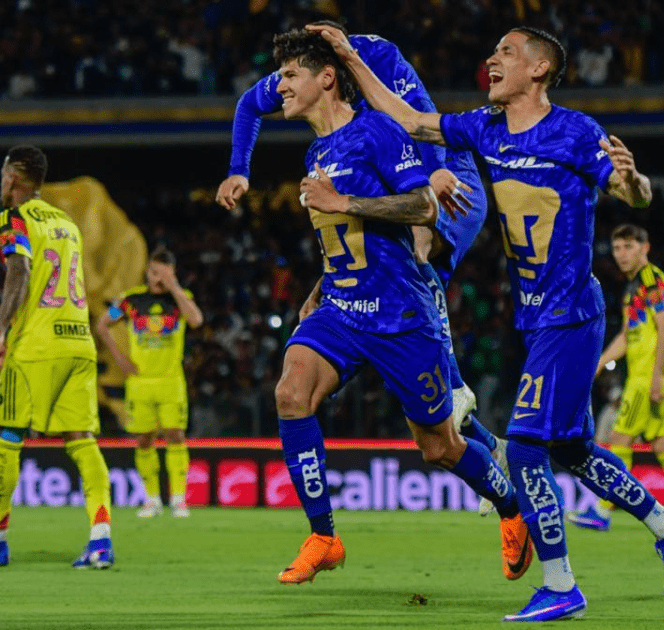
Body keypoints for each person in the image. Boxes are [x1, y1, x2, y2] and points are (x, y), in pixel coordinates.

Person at [311, 23, 664, 621]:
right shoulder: (485, 127)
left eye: (506, 52)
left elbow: (633, 195)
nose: (492, 59)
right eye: (493, 50)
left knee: (523, 450)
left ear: (539, 70)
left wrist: (634, 180)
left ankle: (561, 585)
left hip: (571, 313)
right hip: (536, 318)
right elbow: (407, 119)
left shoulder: (574, 131)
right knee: (574, 449)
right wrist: (348, 56)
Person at [266, 28, 528, 586]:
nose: (279, 86)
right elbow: (347, 237)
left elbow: (425, 206)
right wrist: (319, 289)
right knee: (291, 392)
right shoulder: (317, 151)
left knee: (439, 447)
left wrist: (344, 200)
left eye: (289, 75)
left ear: (326, 78)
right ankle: (324, 536)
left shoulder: (378, 131)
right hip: (341, 309)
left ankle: (512, 510)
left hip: (398, 316)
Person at [214, 22, 508, 515]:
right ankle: (482, 443)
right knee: (379, 256)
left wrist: (433, 169)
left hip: (444, 173)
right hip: (381, 178)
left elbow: (416, 119)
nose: (282, 84)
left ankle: (454, 385)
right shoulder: (302, 72)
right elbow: (248, 104)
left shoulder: (379, 55)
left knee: (418, 247)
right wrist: (239, 169)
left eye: (290, 74)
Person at [0, 145, 114, 569]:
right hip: (78, 341)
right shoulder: (66, 223)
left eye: (3, 174)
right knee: (82, 441)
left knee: (6, 437)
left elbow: (20, 271)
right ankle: (100, 541)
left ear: (13, 178)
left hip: (37, 348)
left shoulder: (13, 218)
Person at [569, 224, 664, 531]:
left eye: (629, 247)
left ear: (645, 248)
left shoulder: (650, 281)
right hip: (658, 372)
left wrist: (656, 376)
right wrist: (600, 362)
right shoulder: (633, 287)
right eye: (617, 248)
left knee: (619, 438)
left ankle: (602, 511)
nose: (622, 254)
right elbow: (628, 335)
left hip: (649, 374)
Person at [95, 245, 204, 518]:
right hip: (140, 382)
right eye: (154, 272)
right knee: (144, 439)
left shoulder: (181, 299)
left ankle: (178, 499)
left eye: (164, 273)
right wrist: (120, 358)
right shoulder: (131, 300)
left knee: (175, 436)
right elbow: (102, 325)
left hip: (171, 381)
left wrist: (174, 287)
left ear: (173, 273)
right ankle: (152, 499)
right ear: (147, 271)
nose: (158, 278)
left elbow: (196, 320)